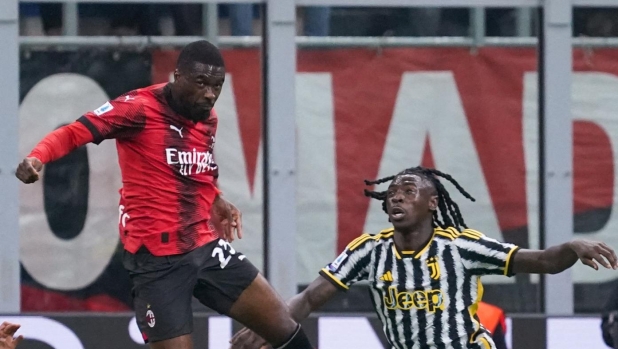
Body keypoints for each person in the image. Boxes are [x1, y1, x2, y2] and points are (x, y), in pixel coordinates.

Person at [16, 40, 313, 349]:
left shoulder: (207, 118)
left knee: (284, 328)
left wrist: (216, 197)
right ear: (177, 75)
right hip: (156, 263)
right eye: (201, 83)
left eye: (217, 85)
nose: (210, 93)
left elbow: (199, 166)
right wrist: (38, 157)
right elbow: (74, 131)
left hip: (204, 246)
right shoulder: (138, 108)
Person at [230, 166, 617, 349]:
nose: (396, 196)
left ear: (433, 203)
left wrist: (572, 247)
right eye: (392, 193)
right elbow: (311, 297)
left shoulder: (461, 246)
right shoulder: (368, 249)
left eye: (408, 190)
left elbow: (542, 262)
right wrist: (270, 325)